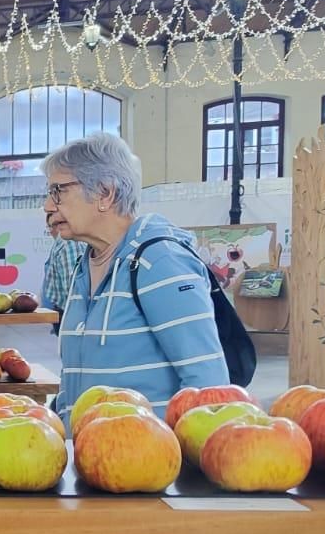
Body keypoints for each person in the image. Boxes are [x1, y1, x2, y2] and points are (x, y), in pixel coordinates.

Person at [43, 132, 228, 423]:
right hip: (91, 458)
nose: (48, 206)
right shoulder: (85, 264)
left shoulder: (160, 262)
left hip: (146, 461)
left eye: (58, 192)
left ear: (105, 193)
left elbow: (207, 382)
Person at [41, 226, 85, 336]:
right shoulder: (63, 243)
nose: (50, 231)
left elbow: (73, 289)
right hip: (65, 313)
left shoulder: (70, 244)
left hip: (71, 315)